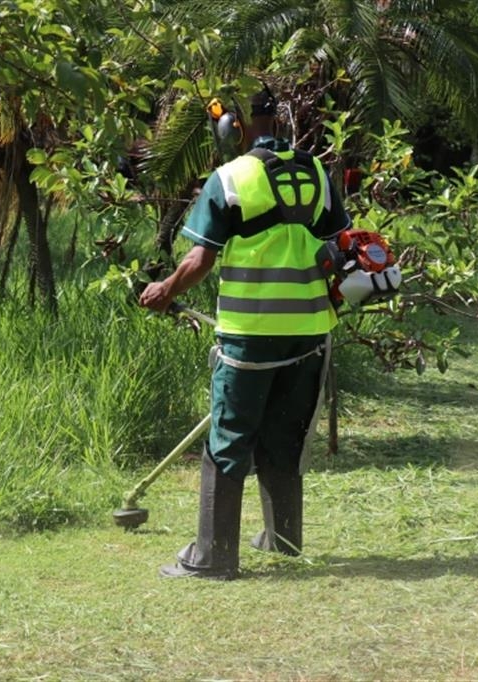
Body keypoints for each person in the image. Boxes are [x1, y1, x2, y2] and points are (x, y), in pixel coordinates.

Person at [138, 88, 352, 580]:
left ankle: (213, 557)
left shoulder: (230, 178)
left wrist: (165, 290)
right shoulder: (317, 172)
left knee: (229, 438)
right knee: (285, 433)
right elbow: (339, 245)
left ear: (232, 127)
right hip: (310, 333)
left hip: (250, 336)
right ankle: (283, 539)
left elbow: (199, 258)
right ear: (276, 121)